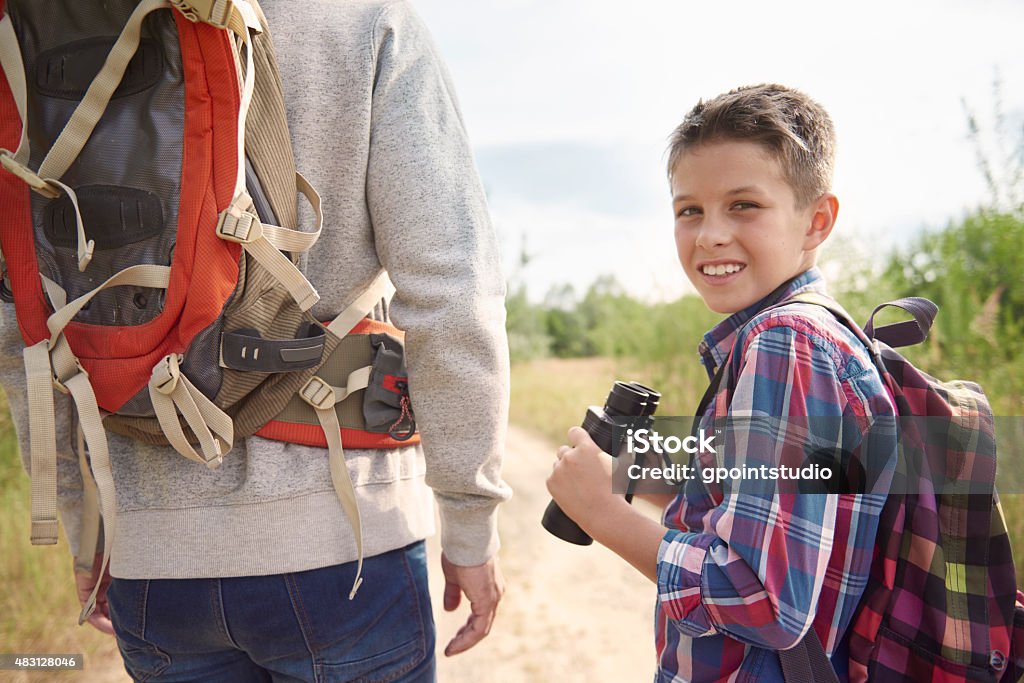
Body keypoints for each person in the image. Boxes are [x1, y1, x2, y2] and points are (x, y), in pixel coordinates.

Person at [0, 1, 511, 681]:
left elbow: (23, 318)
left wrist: (84, 523)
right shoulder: (363, 22)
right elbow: (452, 286)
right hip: (342, 548)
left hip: (152, 563)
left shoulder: (56, 26)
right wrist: (470, 517)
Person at [546, 84, 898, 682]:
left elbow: (764, 598)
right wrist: (640, 471)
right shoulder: (809, 334)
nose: (710, 234)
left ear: (817, 221)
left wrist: (604, 514)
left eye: (743, 205)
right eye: (690, 210)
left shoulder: (786, 344)